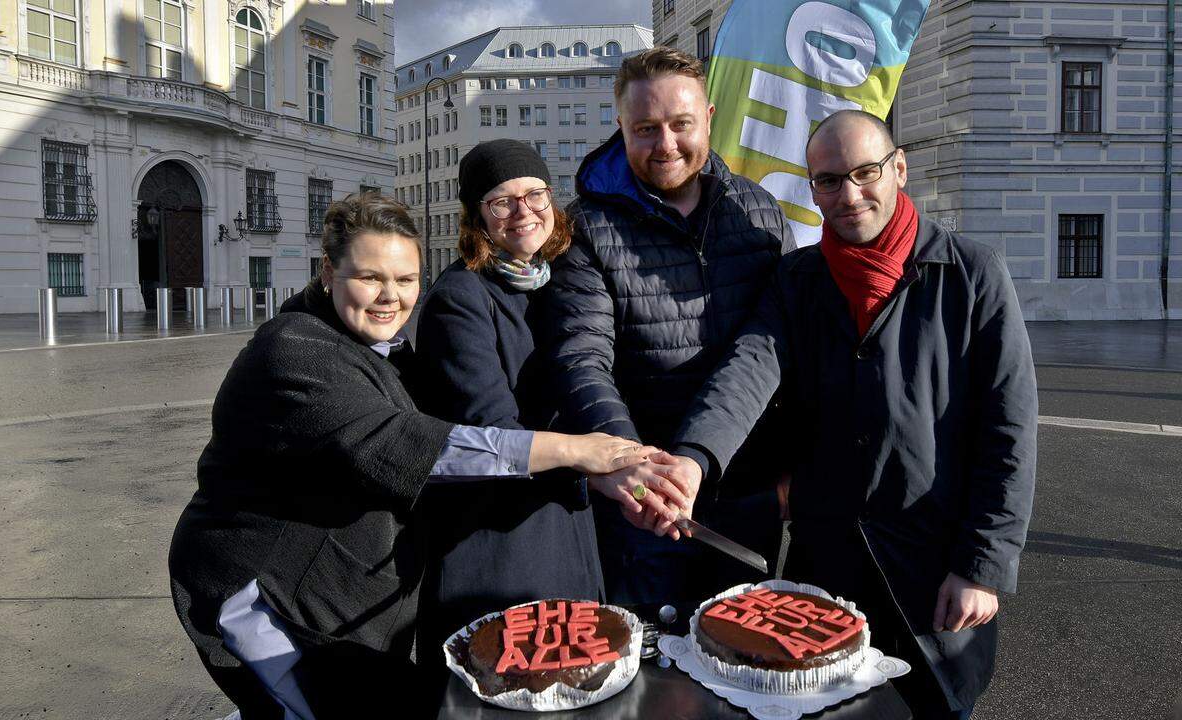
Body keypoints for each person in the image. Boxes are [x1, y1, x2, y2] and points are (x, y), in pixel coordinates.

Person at [168, 193, 656, 719]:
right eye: (369, 277)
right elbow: (414, 445)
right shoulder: (293, 348)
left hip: (348, 595)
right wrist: (576, 449)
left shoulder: (386, 350)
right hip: (271, 599)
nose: (389, 297)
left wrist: (594, 476)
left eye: (405, 281)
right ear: (328, 271)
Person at [666, 110, 1038, 718]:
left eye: (866, 173)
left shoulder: (973, 274)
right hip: (828, 565)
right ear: (811, 187)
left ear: (899, 169)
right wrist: (693, 460)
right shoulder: (799, 279)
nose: (849, 194)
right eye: (829, 181)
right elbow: (748, 369)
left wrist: (983, 565)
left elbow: (1010, 432)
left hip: (934, 574)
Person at [413, 140, 688, 666]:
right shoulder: (460, 298)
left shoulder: (558, 280)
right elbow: (492, 432)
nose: (523, 212)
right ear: (477, 217)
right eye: (502, 202)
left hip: (566, 524)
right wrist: (596, 469)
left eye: (535, 194)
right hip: (497, 542)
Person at [539, 46, 796, 605]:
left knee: (743, 665)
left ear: (708, 118)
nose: (667, 145)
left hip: (743, 487)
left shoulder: (759, 214)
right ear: (620, 127)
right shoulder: (585, 228)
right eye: (646, 128)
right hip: (645, 502)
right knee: (650, 673)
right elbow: (581, 359)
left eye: (681, 124)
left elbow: (778, 349)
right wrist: (636, 468)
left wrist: (789, 466)